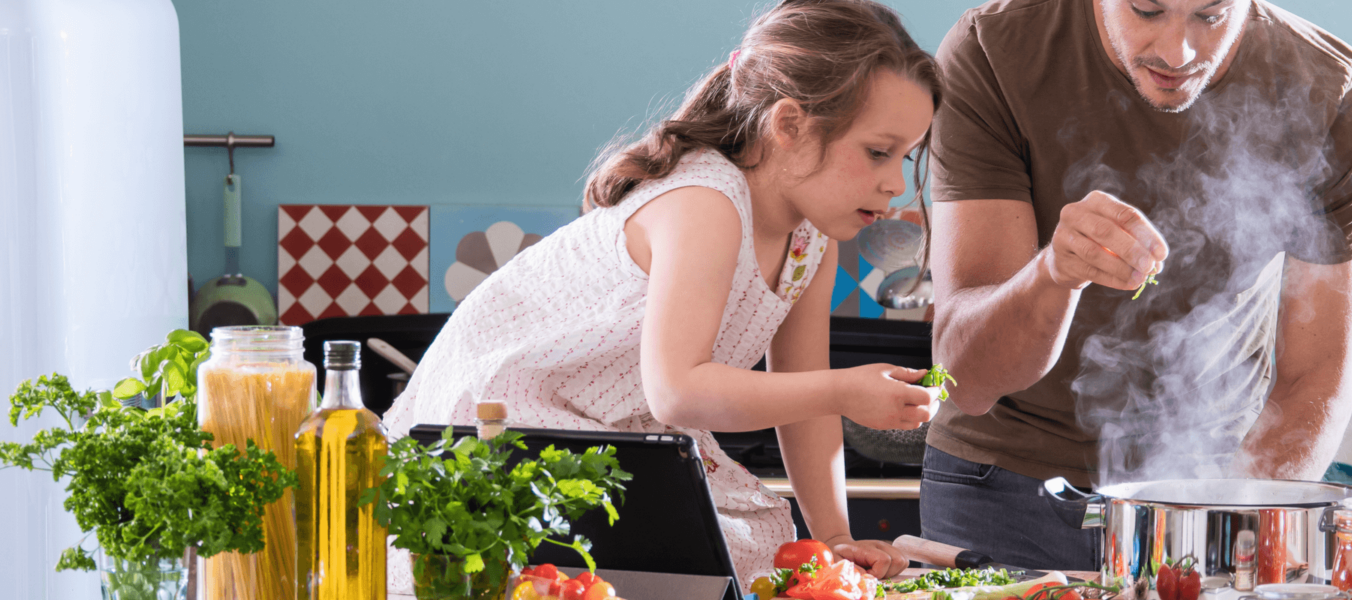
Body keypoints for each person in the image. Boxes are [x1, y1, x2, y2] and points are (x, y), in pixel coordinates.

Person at [381, 0, 941, 586]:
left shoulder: (811, 241)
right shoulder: (705, 202)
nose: (895, 183)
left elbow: (806, 404)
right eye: (879, 151)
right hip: (503, 427)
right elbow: (677, 392)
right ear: (789, 125)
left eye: (908, 156)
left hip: (604, 441)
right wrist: (845, 390)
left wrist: (834, 539)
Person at [922, 0, 1352, 570]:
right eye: (1147, 10)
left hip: (1216, 489)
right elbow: (967, 381)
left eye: (1211, 15)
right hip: (999, 484)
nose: (1179, 51)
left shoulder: (1336, 95)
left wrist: (1232, 526)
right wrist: (1054, 274)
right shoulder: (994, 50)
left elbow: (1314, 378)